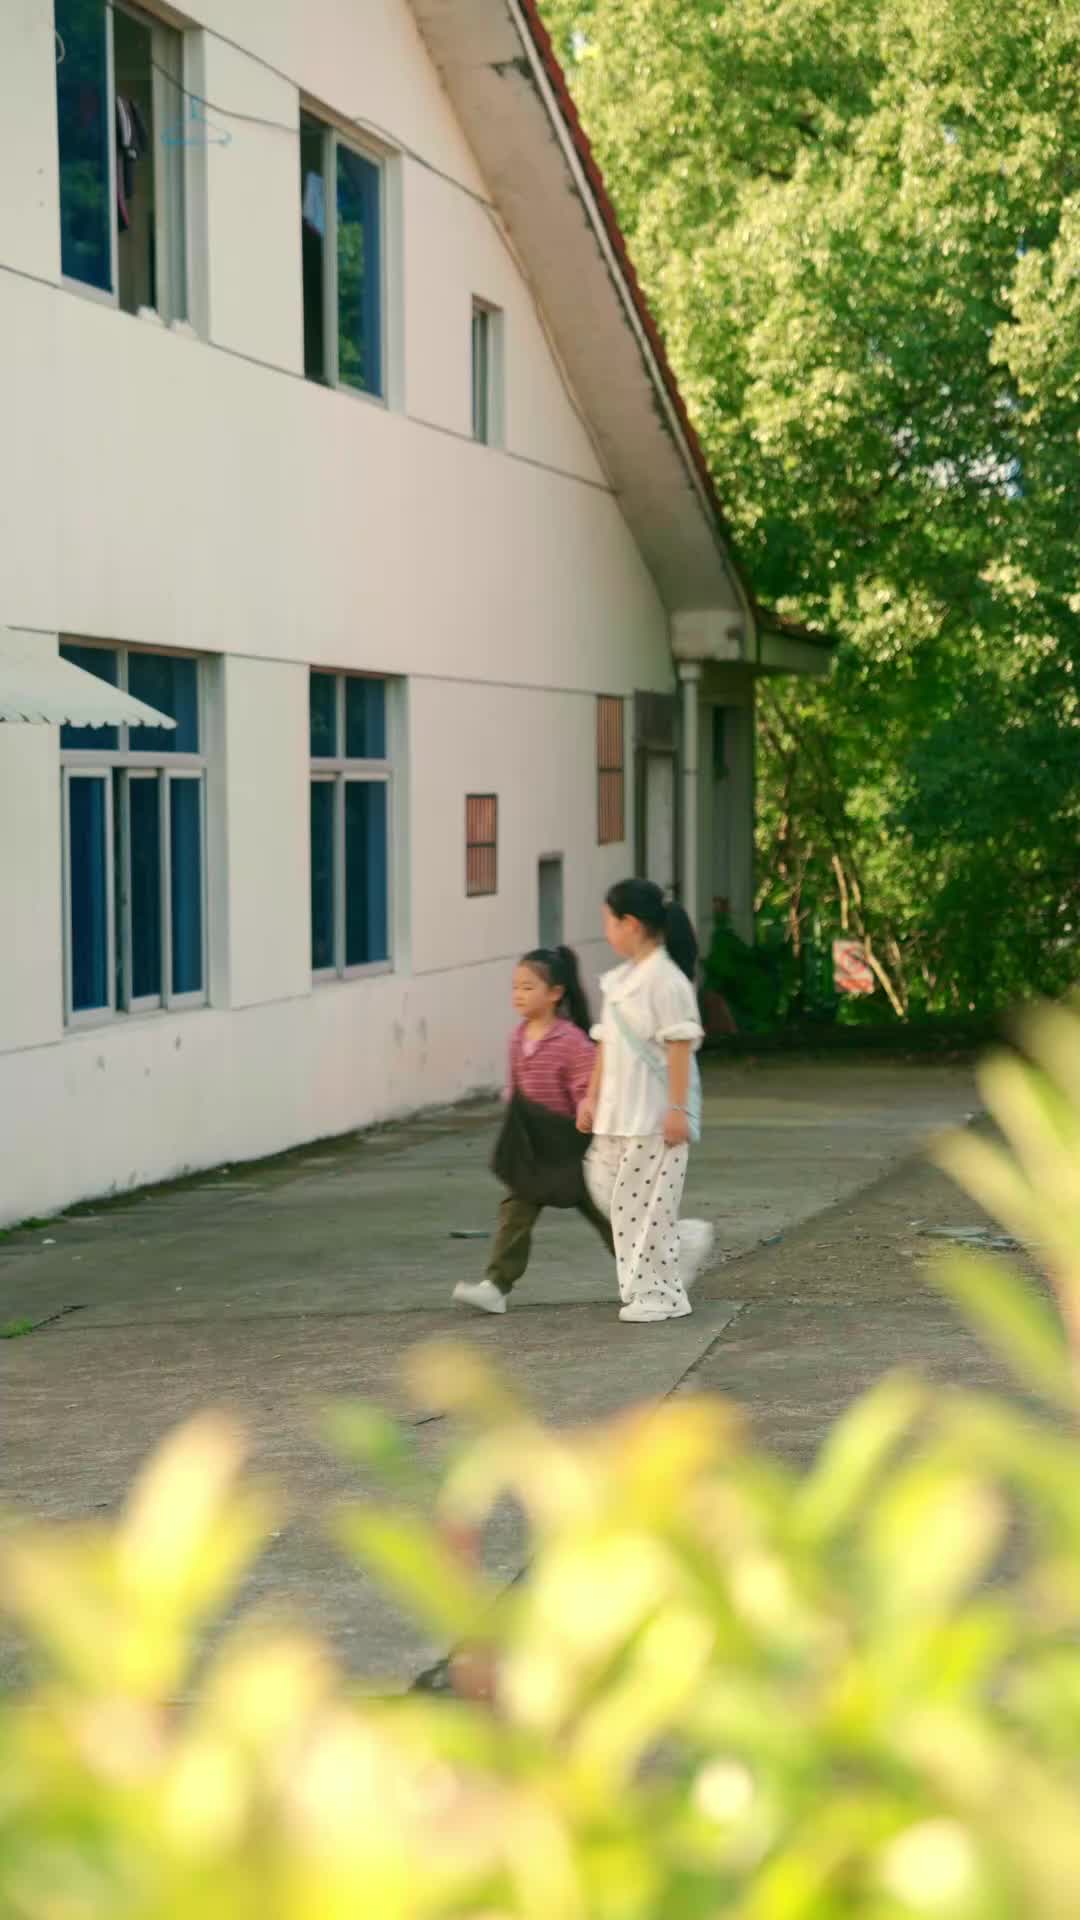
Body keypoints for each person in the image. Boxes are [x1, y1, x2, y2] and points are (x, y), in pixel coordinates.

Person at [578, 880, 714, 1323]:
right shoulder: (620, 981)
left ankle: (661, 1293)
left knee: (647, 1210)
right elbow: (607, 1044)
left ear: (630, 924)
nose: (606, 932)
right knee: (615, 1199)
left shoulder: (667, 981)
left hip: (654, 1118)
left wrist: (677, 1109)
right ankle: (679, 1248)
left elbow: (679, 1047)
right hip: (616, 1114)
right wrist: (591, 1096)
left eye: (609, 922)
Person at [453, 946, 614, 1315]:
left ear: (555, 993)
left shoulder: (572, 1041)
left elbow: (588, 1088)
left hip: (571, 1146)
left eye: (528, 987)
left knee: (606, 1214)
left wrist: (587, 1111)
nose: (518, 994)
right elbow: (515, 1088)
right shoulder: (517, 1038)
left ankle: (647, 1272)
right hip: (534, 1148)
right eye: (515, 987)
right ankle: (496, 1286)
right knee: (515, 1213)